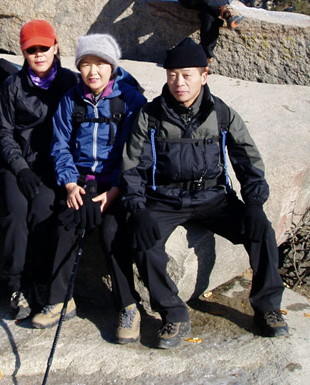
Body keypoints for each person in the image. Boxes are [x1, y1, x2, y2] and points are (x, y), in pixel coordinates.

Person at [120, 37, 288, 349]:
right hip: (165, 199)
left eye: (186, 75)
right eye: (172, 75)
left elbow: (248, 160)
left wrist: (254, 203)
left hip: (214, 198)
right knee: (142, 242)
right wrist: (138, 209)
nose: (178, 82)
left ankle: (267, 307)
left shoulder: (221, 114)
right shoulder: (151, 115)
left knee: (260, 230)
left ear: (204, 75)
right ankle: (173, 312)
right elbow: (133, 167)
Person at [32, 33, 147, 344]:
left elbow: (134, 154)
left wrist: (114, 192)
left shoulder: (131, 100)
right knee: (65, 222)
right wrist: (70, 184)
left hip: (117, 185)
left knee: (112, 232)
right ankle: (60, 300)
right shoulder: (70, 100)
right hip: (81, 181)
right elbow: (60, 147)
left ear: (112, 66)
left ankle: (128, 306)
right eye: (85, 65)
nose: (93, 72)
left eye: (100, 64)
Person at [0, 19, 79, 320]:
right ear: (23, 52)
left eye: (45, 47)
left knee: (43, 211)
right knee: (15, 213)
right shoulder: (13, 86)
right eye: (32, 50)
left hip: (52, 166)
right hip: (17, 165)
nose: (39, 54)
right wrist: (20, 169)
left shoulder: (70, 82)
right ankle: (17, 286)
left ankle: (42, 284)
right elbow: (4, 133)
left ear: (55, 46)